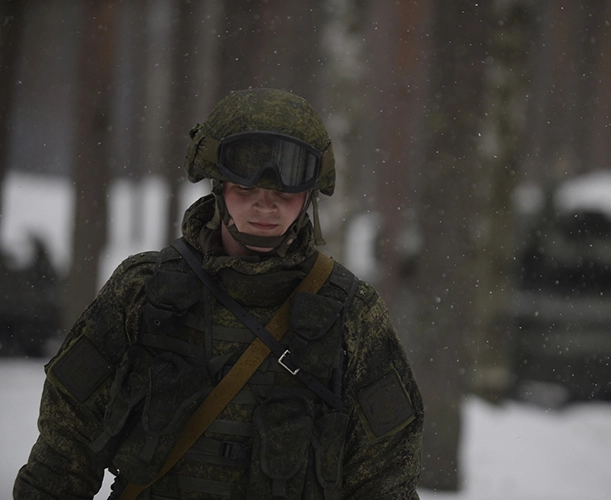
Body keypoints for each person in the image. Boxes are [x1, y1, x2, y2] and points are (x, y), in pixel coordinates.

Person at [14, 88, 424, 499]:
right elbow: (65, 448)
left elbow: (386, 475)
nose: (266, 208)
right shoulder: (143, 291)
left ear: (309, 197)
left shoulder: (351, 316)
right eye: (247, 190)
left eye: (284, 193)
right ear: (219, 186)